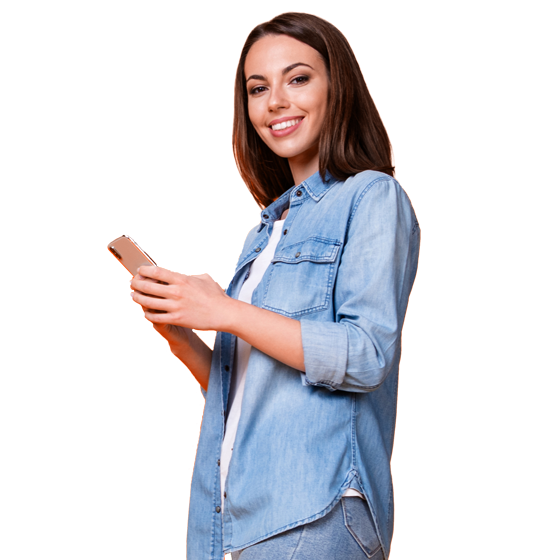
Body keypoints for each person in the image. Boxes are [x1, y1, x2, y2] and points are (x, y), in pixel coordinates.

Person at [131, 12, 420, 560]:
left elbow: (365, 355)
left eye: (299, 78)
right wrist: (184, 338)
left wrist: (226, 311)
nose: (275, 102)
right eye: (258, 88)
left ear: (339, 88)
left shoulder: (372, 197)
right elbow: (249, 395)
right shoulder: (266, 231)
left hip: (314, 511)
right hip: (232, 523)